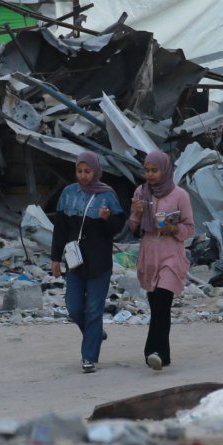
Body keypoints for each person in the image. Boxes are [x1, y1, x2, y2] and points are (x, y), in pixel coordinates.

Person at [49, 152, 125, 374]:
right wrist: (55, 259)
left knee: (93, 309)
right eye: (79, 171)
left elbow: (118, 227)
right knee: (73, 308)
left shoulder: (107, 195)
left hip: (99, 261)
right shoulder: (68, 194)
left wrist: (106, 219)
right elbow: (60, 229)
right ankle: (95, 333)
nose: (83, 176)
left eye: (87, 171)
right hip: (74, 261)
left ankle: (88, 357)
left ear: (96, 172)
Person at [129, 150, 194, 371]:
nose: (150, 175)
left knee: (162, 304)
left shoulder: (179, 196)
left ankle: (152, 351)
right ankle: (163, 356)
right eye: (147, 170)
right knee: (156, 306)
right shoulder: (140, 192)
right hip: (149, 256)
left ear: (165, 170)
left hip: (171, 256)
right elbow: (132, 228)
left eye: (154, 170)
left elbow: (189, 227)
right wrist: (136, 214)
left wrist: (173, 228)